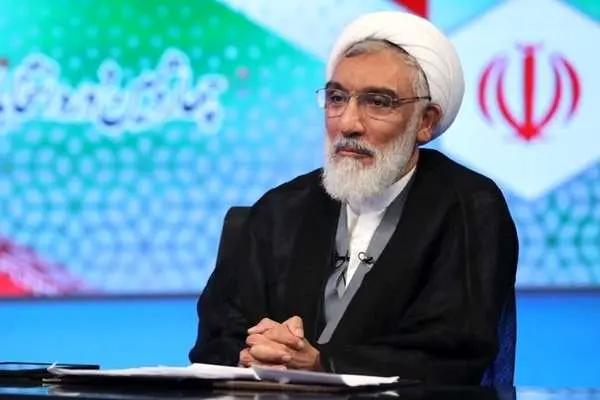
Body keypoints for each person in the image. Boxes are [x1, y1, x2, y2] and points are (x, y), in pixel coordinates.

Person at [189, 10, 519, 385]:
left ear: (425, 121)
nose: (348, 123)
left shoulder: (469, 207)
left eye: (377, 102)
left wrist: (322, 365)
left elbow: (452, 351)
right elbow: (219, 332)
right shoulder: (281, 210)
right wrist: (250, 355)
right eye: (337, 98)